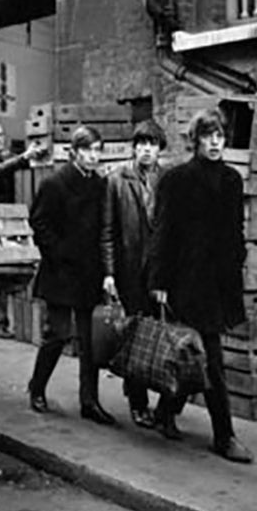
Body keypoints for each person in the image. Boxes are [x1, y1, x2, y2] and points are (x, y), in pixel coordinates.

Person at [147, 109, 253, 463]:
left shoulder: (232, 180)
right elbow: (163, 233)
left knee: (191, 355)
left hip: (221, 282)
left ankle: (165, 411)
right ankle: (225, 436)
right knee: (212, 360)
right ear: (195, 141)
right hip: (187, 281)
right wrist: (159, 281)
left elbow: (236, 229)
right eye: (207, 137)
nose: (215, 143)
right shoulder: (176, 180)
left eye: (219, 136)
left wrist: (238, 261)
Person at [27, 125, 115, 426]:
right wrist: (59, 254)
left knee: (89, 342)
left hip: (88, 273)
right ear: (74, 152)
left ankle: (89, 401)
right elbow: (39, 224)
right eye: (88, 150)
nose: (93, 156)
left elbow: (104, 229)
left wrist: (105, 271)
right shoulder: (55, 183)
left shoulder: (99, 185)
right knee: (58, 334)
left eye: (97, 150)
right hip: (61, 273)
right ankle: (36, 388)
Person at [100, 119, 167, 429]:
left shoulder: (166, 180)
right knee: (136, 334)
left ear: (159, 149)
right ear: (133, 148)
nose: (146, 150)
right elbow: (108, 230)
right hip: (129, 271)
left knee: (160, 334)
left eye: (152, 145)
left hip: (158, 272)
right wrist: (110, 272)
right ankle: (138, 403)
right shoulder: (117, 179)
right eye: (141, 145)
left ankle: (162, 404)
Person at [0, 121, 47, 338]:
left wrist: (35, 156)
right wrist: (24, 157)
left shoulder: (8, 155)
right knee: (0, 272)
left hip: (15, 218)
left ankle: (16, 321)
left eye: (0, 135)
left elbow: (21, 166)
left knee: (18, 269)